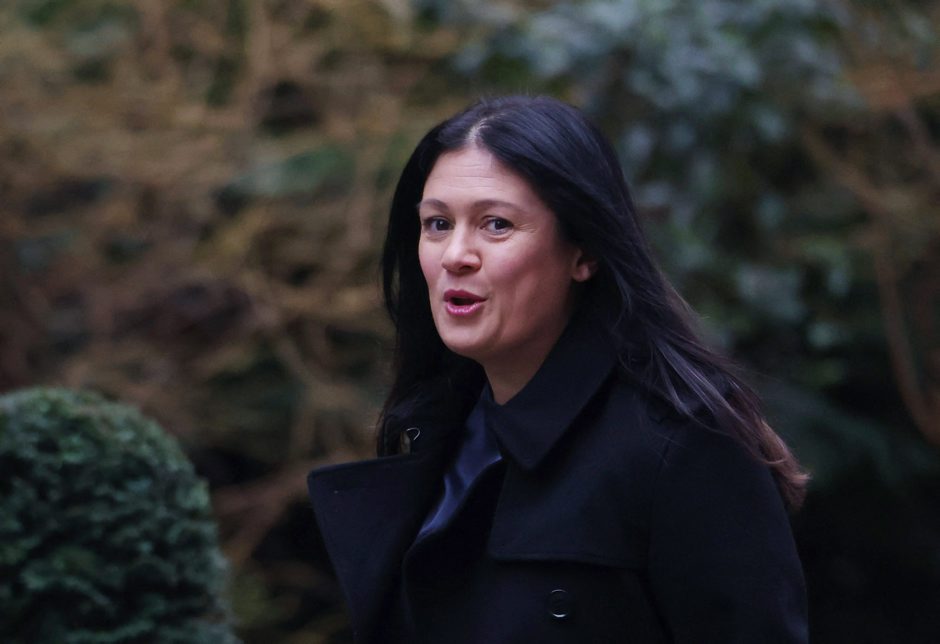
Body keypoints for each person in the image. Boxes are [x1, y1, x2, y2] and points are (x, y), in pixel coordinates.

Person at [307, 95, 809, 643]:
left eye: (496, 224)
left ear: (583, 252)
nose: (455, 254)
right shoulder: (435, 433)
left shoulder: (682, 444)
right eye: (438, 223)